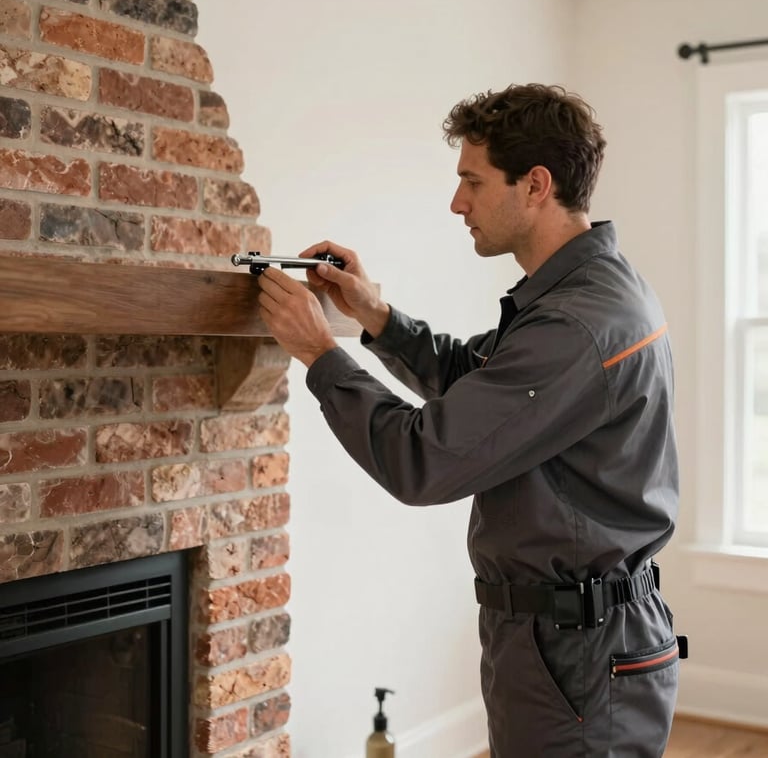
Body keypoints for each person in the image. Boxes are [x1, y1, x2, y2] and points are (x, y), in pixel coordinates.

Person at [257, 83, 684, 757]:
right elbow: (482, 388)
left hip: (578, 651)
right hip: (563, 639)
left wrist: (318, 353)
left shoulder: (577, 323)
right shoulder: (583, 295)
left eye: (472, 182)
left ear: (535, 184)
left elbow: (426, 461)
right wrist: (376, 316)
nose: (458, 203)